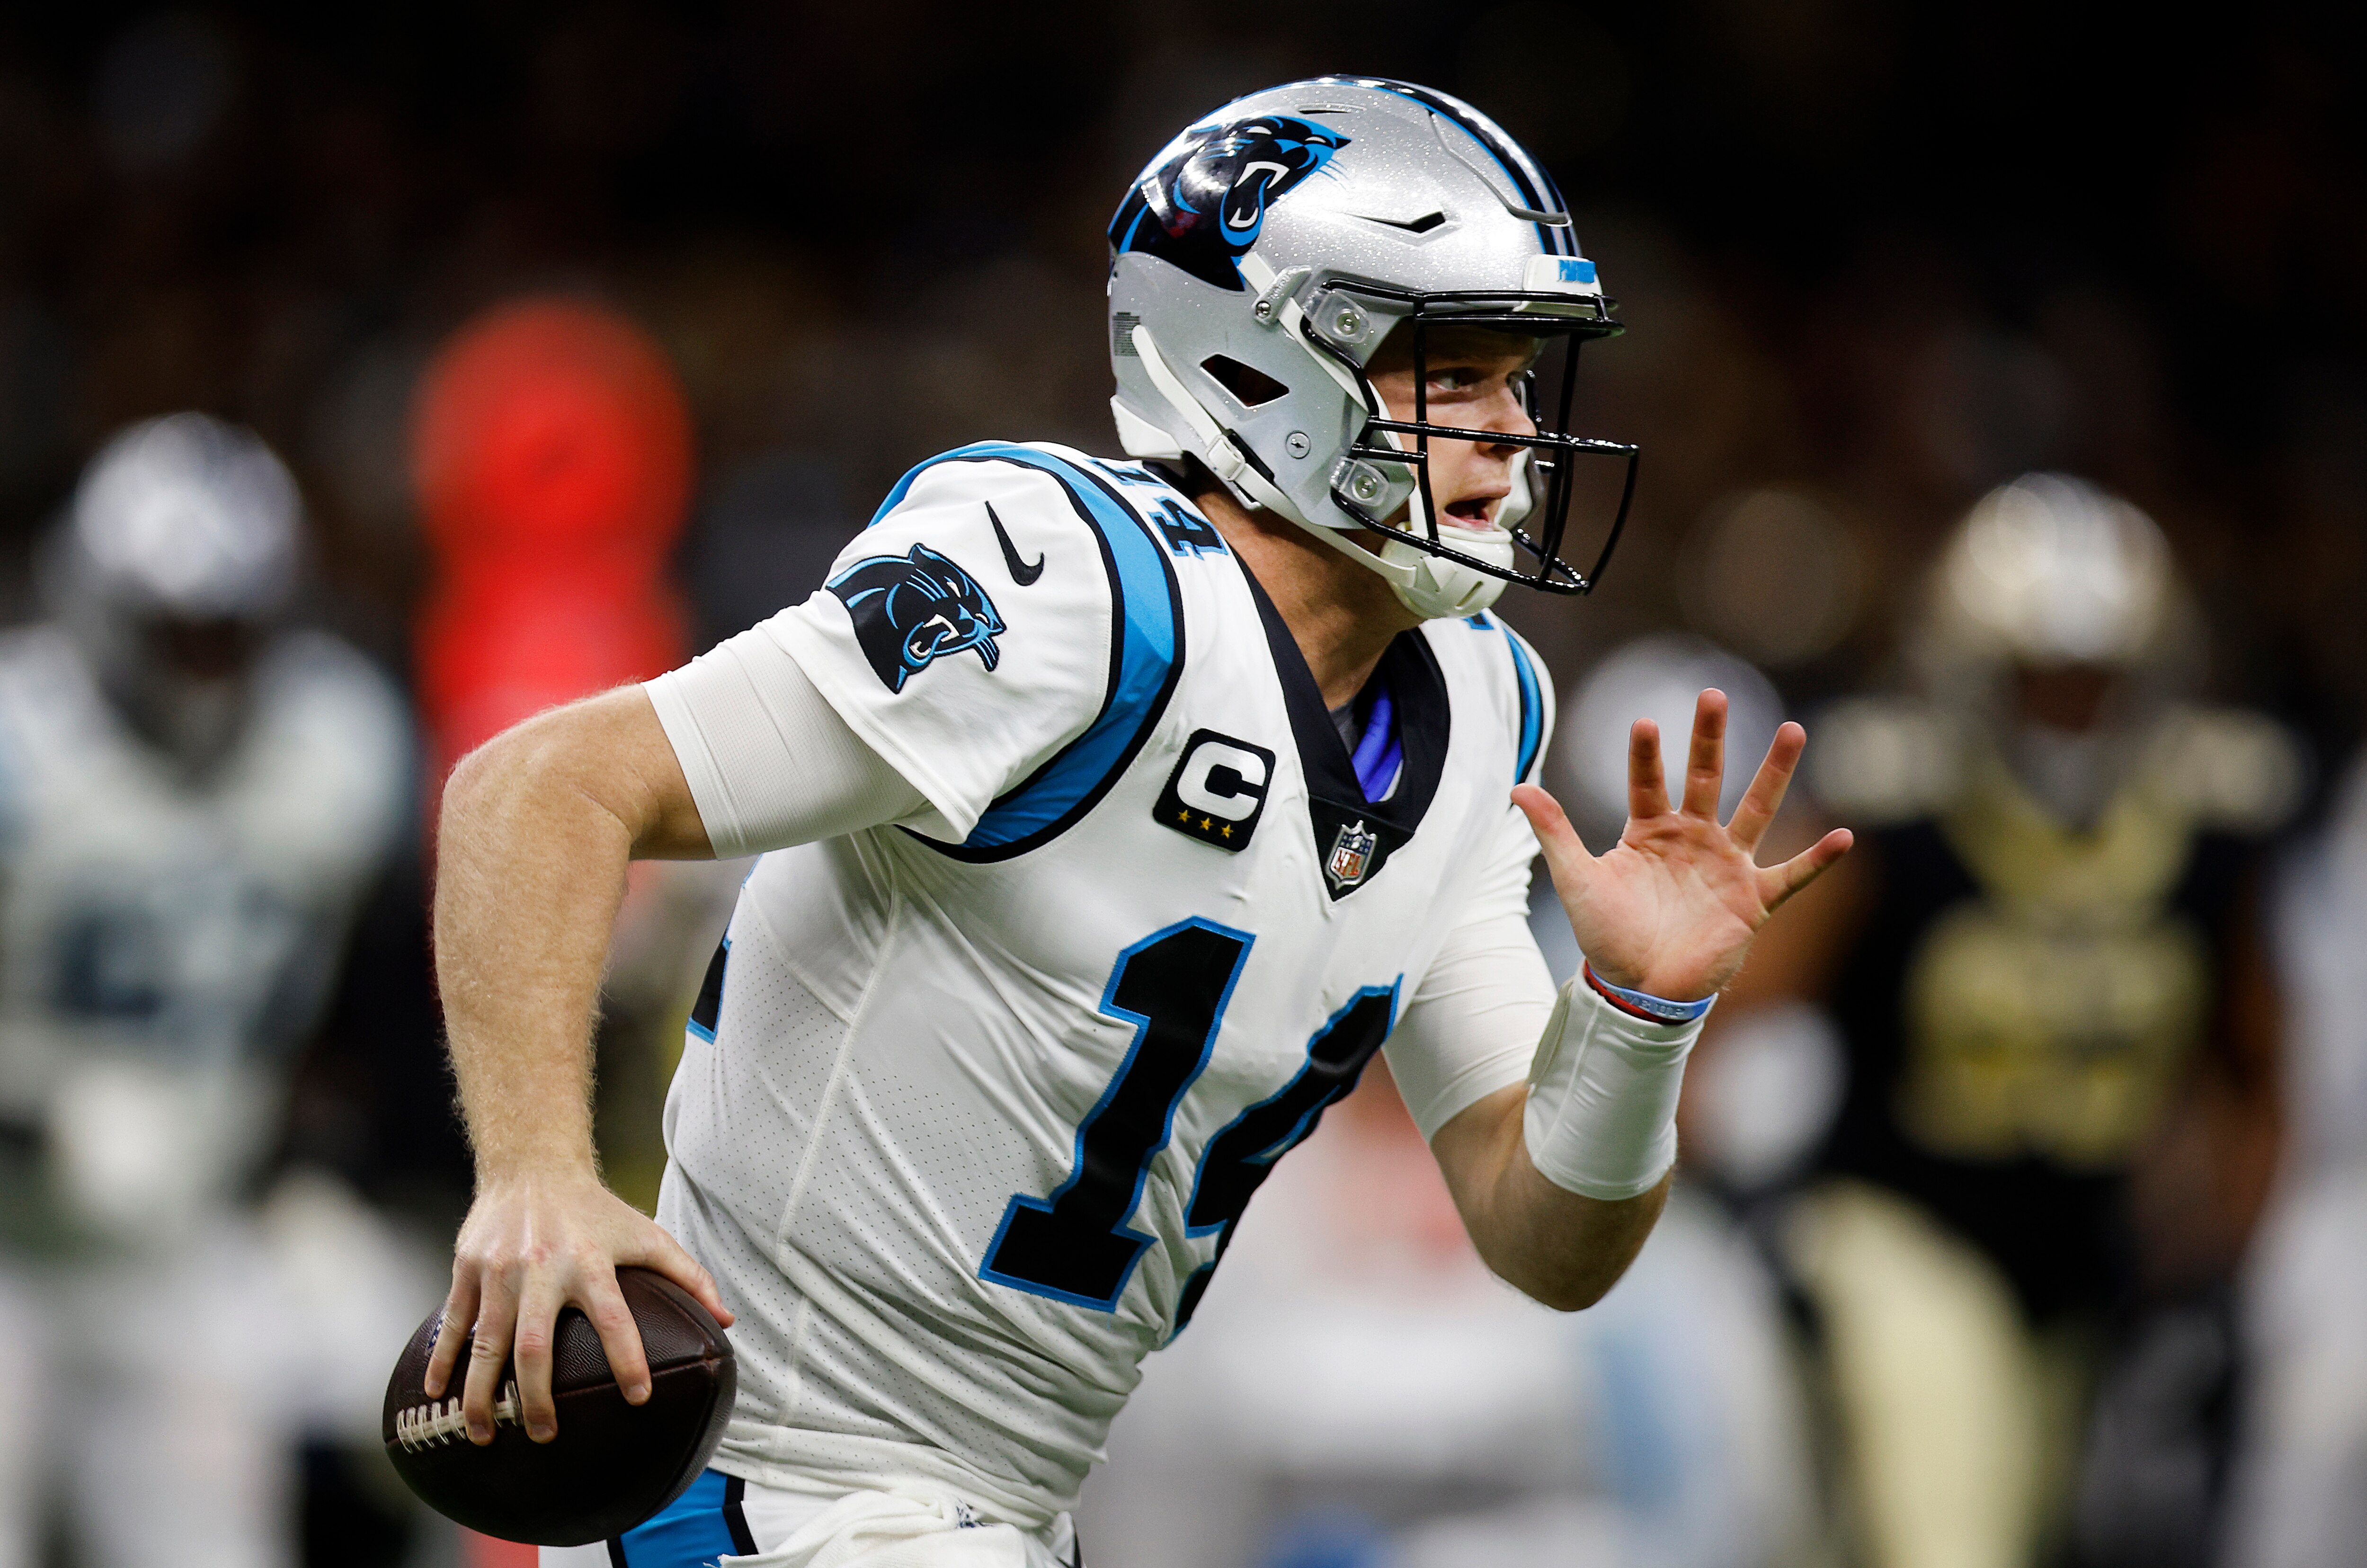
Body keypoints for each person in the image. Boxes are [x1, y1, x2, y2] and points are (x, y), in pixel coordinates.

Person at [422, 80, 1850, 1568]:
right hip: (778, 1484)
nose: (1511, 436)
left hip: (1003, 1515)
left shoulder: (1483, 706)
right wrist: (535, 1178)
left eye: (1520, 383)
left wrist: (1632, 1019)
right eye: (1455, 375)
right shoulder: (1068, 586)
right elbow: (540, 786)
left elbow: (1543, 1236)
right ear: (1258, 367)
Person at [1745, 475, 2296, 1568]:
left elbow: (2259, 1070)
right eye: (2040, 677)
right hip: (1899, 1226)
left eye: (2097, 679)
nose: (2070, 708)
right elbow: (1744, 994)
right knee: (1948, 1539)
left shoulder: (2210, 826)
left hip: (2090, 1258)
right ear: (1972, 672)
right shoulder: (1892, 809)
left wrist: (2226, 1256)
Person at [0, 414, 414, 1568]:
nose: (200, 668)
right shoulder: (20, 749)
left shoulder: (337, 742)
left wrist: (326, 1163)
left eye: (228, 635)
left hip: (183, 1241)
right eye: (173, 633)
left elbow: (370, 999)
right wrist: (30, 1119)